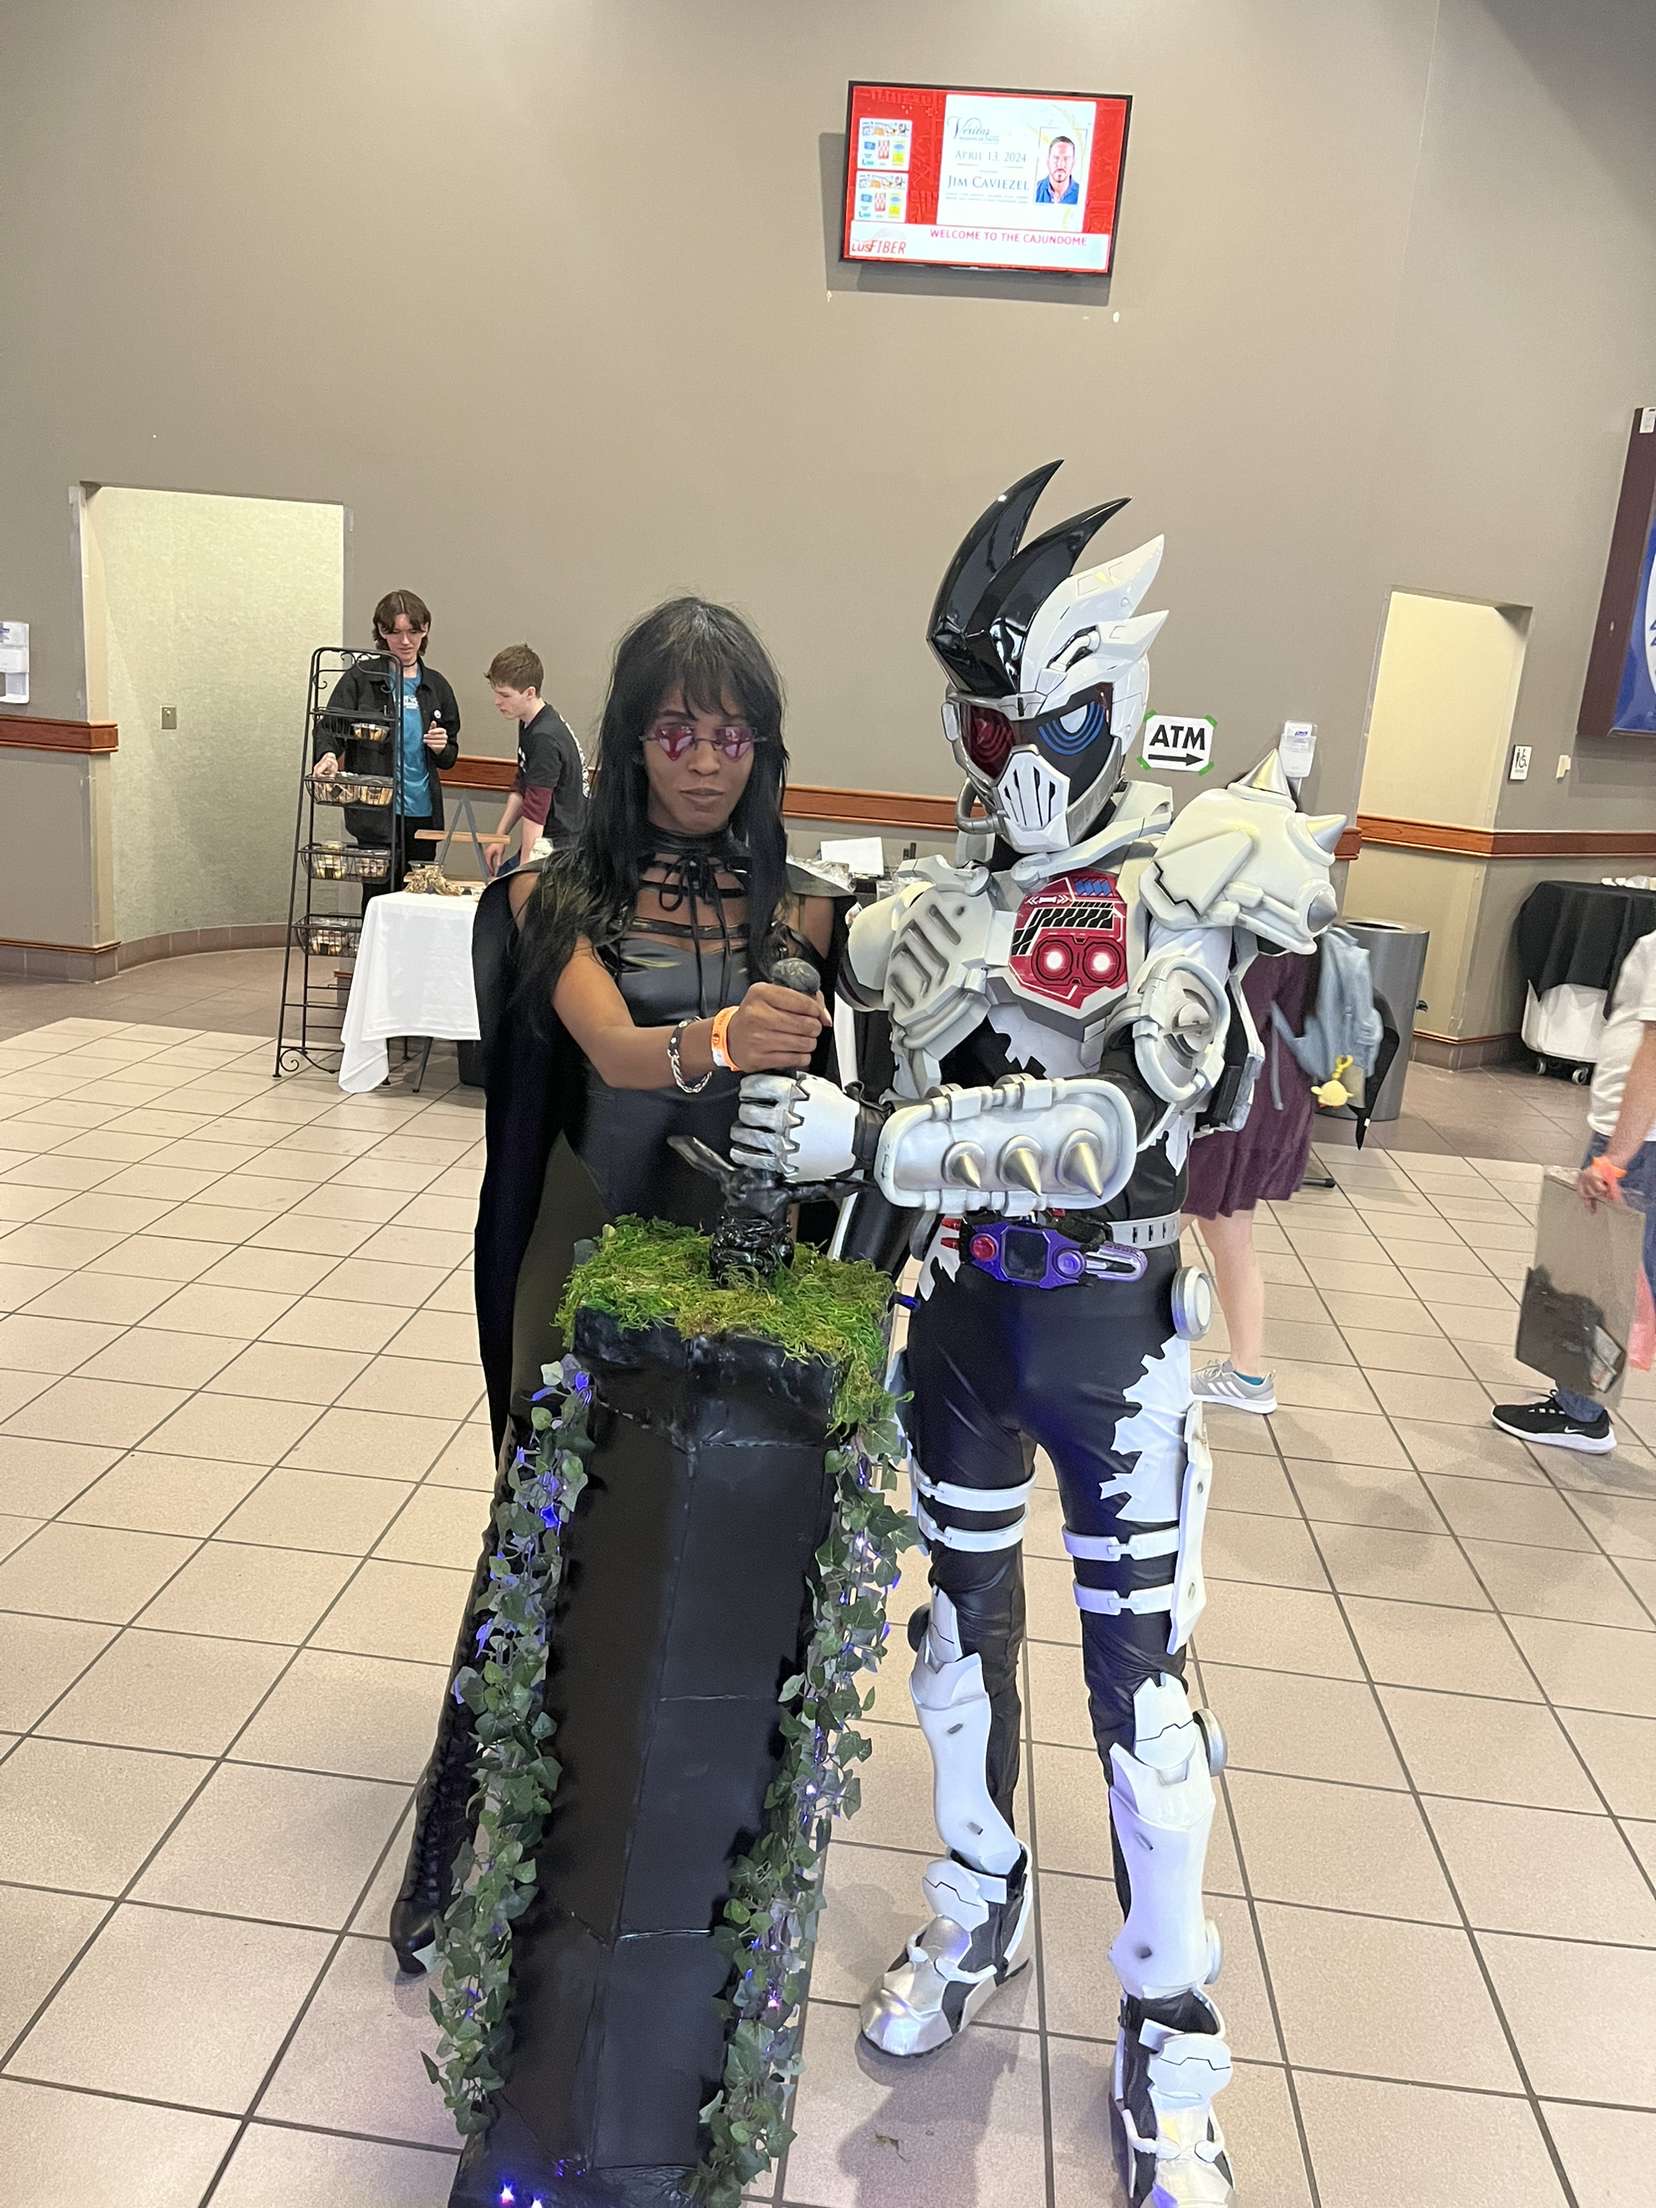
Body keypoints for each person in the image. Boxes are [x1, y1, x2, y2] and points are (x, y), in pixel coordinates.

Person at [731, 463, 1342, 2208]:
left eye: (1029, 728)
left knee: (1146, 1704)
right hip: (964, 1329)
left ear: (1103, 707)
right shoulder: (942, 902)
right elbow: (880, 1063)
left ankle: (1171, 2025)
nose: (1003, 767)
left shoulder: (1186, 880)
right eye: (978, 728)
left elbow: (1117, 1142)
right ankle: (980, 1899)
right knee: (955, 1640)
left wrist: (876, 1142)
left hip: (1112, 1337)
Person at [390, 595, 849, 1974]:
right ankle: (452, 1819)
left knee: (732, 1528)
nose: (704, 762)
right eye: (676, 731)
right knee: (535, 1523)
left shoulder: (809, 906)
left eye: (731, 735)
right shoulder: (554, 896)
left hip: (736, 1254)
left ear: (764, 748)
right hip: (587, 1238)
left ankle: (703, 1831)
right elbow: (614, 1049)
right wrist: (726, 1035)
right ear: (632, 738)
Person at [1493, 923, 1656, 1451]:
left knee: (1604, 1276)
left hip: (1640, 1140)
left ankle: (1579, 1412)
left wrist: (1615, 1158)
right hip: (1642, 1135)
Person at [1185, 951, 1319, 1414]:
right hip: (1273, 1095)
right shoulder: (1303, 928)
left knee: (1153, 1229)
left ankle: (1115, 1356)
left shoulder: (1266, 935)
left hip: (1238, 1100)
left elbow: (1235, 1014)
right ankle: (1246, 1375)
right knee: (1231, 1234)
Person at [315, 589, 460, 904]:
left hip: (422, 812)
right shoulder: (360, 679)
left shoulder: (436, 686)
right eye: (395, 632)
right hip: (375, 811)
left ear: (425, 630)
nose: (405, 641)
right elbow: (330, 727)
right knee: (378, 897)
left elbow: (450, 755)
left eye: (413, 632)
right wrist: (328, 755)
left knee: (419, 900)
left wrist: (441, 747)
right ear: (381, 632)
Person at [485, 642, 587, 871]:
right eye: (496, 693)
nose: (497, 701)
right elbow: (523, 783)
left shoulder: (544, 737)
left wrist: (525, 868)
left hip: (562, 850)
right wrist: (499, 837)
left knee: (508, 885)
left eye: (505, 695)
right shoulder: (529, 722)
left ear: (530, 692)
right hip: (549, 842)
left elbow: (536, 807)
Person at [1035, 134, 1080, 205]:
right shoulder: (1034, 191)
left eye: (1066, 159)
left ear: (1073, 163)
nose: (1060, 165)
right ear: (1048, 161)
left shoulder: (1083, 195)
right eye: (1056, 158)